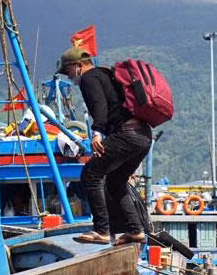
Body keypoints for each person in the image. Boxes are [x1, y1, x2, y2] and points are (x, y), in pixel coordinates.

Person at [57, 45, 152, 246]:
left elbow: (100, 105)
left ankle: (101, 230)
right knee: (115, 182)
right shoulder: (106, 74)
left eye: (68, 71)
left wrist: (97, 133)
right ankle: (135, 231)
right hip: (143, 136)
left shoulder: (89, 78)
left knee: (90, 174)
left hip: (127, 135)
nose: (68, 76)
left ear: (79, 65)